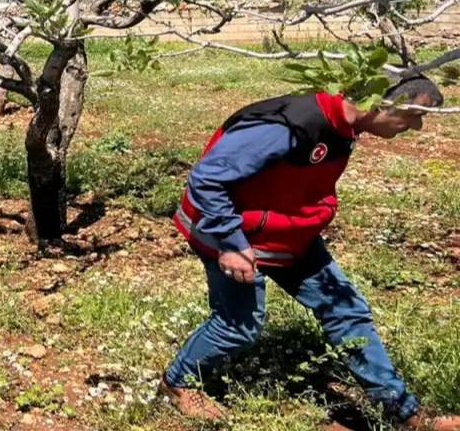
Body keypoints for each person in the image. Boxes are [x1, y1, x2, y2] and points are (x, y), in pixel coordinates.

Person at [163, 75, 458, 430]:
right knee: (236, 327)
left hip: (285, 232)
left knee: (346, 310)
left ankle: (405, 413)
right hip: (227, 231)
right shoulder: (289, 127)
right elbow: (207, 180)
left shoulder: (344, 126)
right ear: (380, 102)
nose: (417, 127)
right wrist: (232, 245)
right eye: (413, 115)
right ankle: (177, 383)